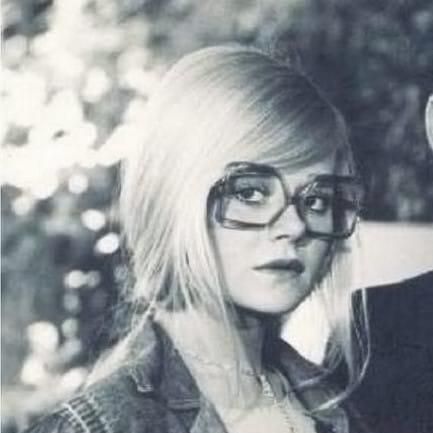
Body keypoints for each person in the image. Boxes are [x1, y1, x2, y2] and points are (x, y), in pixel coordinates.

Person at [24, 45, 371, 433]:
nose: (295, 225)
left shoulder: (336, 406)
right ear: (174, 197)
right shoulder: (99, 425)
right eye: (249, 192)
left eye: (318, 199)